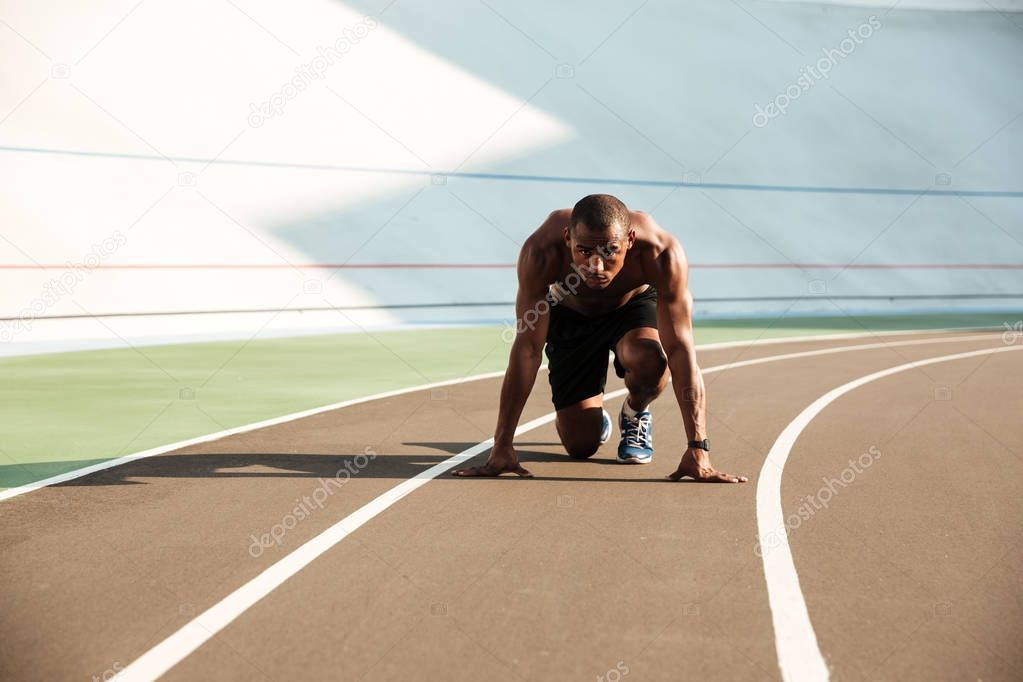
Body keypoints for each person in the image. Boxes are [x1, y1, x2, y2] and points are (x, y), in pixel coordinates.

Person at [453, 194, 746, 483]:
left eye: (609, 251)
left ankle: (635, 411)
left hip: (631, 307)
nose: (595, 267)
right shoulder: (541, 251)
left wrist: (698, 448)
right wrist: (502, 445)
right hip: (570, 314)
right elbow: (528, 349)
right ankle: (594, 418)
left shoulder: (660, 254)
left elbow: (681, 350)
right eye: (583, 251)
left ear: (629, 240)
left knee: (651, 359)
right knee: (581, 445)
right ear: (567, 237)